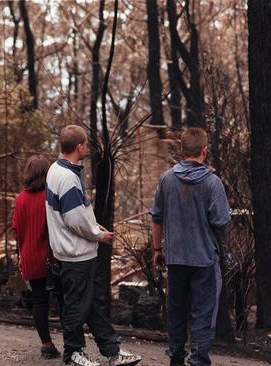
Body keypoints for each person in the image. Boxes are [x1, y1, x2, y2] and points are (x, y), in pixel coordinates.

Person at [45, 125, 142, 366]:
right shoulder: (66, 178)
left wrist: (94, 226)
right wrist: (97, 235)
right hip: (76, 253)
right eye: (86, 144)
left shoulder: (57, 170)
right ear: (79, 147)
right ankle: (73, 354)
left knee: (89, 305)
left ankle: (112, 351)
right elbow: (76, 219)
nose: (86, 147)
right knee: (77, 306)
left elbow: (75, 214)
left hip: (72, 250)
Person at [150, 127, 231, 366]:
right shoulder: (213, 183)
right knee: (203, 312)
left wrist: (158, 250)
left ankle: (176, 356)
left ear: (182, 150)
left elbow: (157, 218)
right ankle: (198, 359)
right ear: (204, 151)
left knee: (176, 310)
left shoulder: (166, 179)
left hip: (175, 257)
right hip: (204, 258)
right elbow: (221, 221)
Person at [12, 154, 61, 359]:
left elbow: (16, 229)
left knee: (40, 302)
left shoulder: (20, 198)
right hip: (52, 258)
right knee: (64, 301)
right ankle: (74, 346)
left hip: (30, 259)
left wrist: (21, 252)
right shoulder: (49, 197)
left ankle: (46, 344)